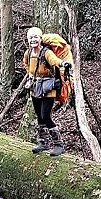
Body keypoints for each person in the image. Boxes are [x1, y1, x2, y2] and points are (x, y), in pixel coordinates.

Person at [23, 27, 72, 156]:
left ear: (40, 39)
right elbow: (26, 65)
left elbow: (54, 61)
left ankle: (58, 144)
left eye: (35, 37)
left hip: (48, 88)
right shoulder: (28, 53)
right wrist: (31, 74)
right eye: (31, 37)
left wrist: (63, 64)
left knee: (45, 115)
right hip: (35, 87)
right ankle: (43, 142)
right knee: (39, 116)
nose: (33, 39)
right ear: (28, 40)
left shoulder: (46, 52)